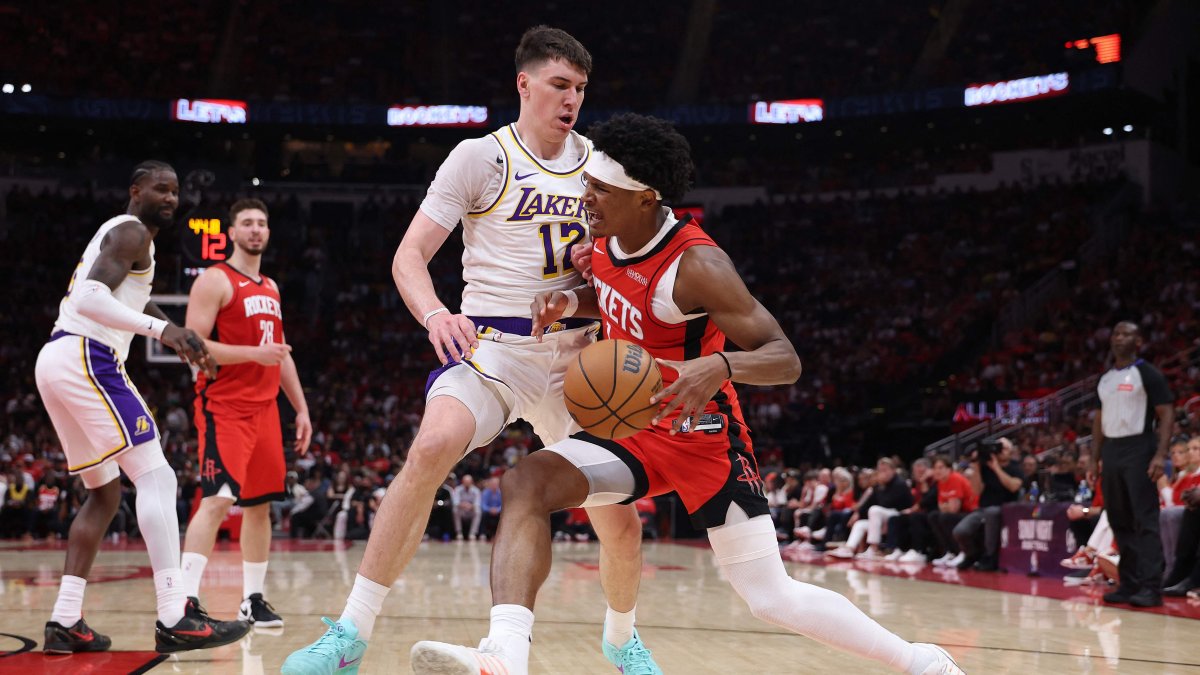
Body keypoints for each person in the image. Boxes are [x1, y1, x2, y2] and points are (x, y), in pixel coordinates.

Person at [408, 113, 962, 675]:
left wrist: (718, 366)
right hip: (633, 432)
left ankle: (921, 661)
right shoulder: (604, 241)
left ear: (645, 198)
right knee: (525, 481)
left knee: (771, 598)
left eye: (600, 189)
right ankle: (505, 654)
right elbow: (623, 299)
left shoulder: (697, 263)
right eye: (588, 185)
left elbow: (784, 357)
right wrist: (572, 304)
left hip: (704, 438)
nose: (586, 197)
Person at [283, 27, 657, 675]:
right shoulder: (480, 158)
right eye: (560, 85)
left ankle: (622, 637)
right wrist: (433, 313)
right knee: (429, 447)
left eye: (581, 89)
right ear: (525, 84)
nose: (572, 100)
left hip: (578, 357)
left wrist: (600, 265)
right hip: (493, 346)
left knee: (619, 519)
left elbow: (639, 271)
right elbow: (408, 256)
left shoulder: (602, 165)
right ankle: (350, 631)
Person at [34, 161, 249, 654]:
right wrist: (163, 332)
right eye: (160, 189)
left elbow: (131, 296)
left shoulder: (129, 239)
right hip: (87, 352)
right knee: (158, 476)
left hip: (58, 357)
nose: (171, 198)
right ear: (136, 191)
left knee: (105, 496)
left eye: (175, 191)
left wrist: (171, 327)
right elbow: (90, 299)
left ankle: (65, 620)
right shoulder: (132, 231)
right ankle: (175, 614)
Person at [179, 198, 312, 629]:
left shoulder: (270, 287)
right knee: (218, 499)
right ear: (232, 232)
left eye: (262, 223)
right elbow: (193, 345)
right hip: (224, 405)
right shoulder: (215, 280)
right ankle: (183, 602)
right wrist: (257, 353)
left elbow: (281, 354)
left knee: (260, 507)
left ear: (268, 233)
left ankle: (252, 599)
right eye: (247, 223)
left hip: (266, 410)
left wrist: (302, 409)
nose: (256, 230)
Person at [1090, 321, 1174, 606]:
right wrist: (1093, 459)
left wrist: (1160, 455)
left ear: (1138, 341)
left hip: (1140, 446)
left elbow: (1167, 413)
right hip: (1112, 450)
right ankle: (1129, 582)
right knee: (1118, 519)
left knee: (1144, 519)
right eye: (1115, 333)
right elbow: (1099, 421)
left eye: (1126, 334)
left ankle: (1152, 586)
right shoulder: (1104, 379)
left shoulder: (1147, 373)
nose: (1119, 338)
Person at [953, 437, 1023, 571]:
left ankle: (990, 557)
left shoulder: (1015, 467)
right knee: (960, 531)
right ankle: (971, 554)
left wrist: (996, 468)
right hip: (983, 509)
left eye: (1006, 448)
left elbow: (1014, 486)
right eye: (1000, 448)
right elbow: (976, 491)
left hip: (1006, 509)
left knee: (992, 512)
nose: (1002, 451)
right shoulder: (984, 467)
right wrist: (977, 468)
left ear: (1011, 451)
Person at [927, 455, 976, 567]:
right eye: (935, 468)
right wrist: (947, 506)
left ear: (949, 469)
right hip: (959, 512)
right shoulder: (941, 482)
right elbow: (941, 506)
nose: (937, 471)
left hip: (971, 512)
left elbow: (954, 509)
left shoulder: (955, 478)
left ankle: (961, 552)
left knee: (945, 517)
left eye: (941, 467)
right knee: (933, 516)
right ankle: (949, 552)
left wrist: (946, 506)